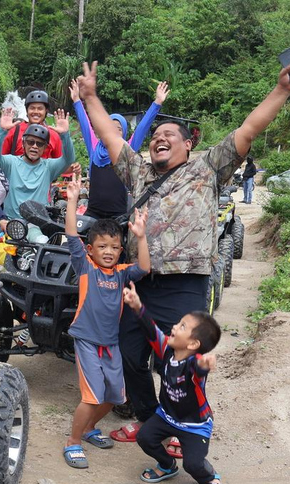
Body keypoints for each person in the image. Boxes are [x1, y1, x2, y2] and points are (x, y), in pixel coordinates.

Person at [76, 61, 290, 450]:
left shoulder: (208, 168)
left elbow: (249, 129)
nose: (160, 138)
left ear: (188, 143)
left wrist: (281, 91)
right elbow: (109, 137)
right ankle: (151, 419)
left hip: (187, 285)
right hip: (140, 284)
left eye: (169, 134)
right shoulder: (140, 173)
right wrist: (90, 97)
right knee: (127, 354)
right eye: (156, 134)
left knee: (179, 364)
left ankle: (181, 425)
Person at [61, 174, 150, 469]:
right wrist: (73, 201)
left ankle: (88, 430)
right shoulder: (85, 266)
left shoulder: (123, 272)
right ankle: (73, 442)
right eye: (102, 246)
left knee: (114, 396)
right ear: (91, 250)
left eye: (113, 246)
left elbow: (145, 268)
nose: (108, 251)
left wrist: (140, 236)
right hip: (87, 340)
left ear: (120, 250)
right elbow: (72, 235)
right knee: (91, 395)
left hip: (111, 343)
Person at [122, 282, 223, 484]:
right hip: (167, 416)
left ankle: (210, 477)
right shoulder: (167, 348)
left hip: (195, 425)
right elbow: (151, 330)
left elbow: (199, 370)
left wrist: (205, 365)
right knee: (145, 438)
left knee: (193, 465)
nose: (175, 327)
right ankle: (167, 465)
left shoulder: (194, 364)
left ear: (194, 344)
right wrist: (138, 306)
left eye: (182, 327)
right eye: (178, 323)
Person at [70, 79, 169, 219]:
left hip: (118, 215)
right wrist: (76, 100)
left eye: (118, 129)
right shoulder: (94, 147)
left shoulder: (127, 150)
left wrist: (157, 102)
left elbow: (142, 128)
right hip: (93, 213)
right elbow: (85, 124)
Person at [0, 109, 76, 241]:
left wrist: (64, 135)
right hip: (10, 223)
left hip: (36, 224)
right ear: (23, 143)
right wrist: (2, 131)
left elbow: (68, 159)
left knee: (42, 241)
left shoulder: (49, 167)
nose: (34, 146)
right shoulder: (11, 163)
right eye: (30, 142)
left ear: (45, 148)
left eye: (40, 144)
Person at [1, 90, 63, 159]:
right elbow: (0, 159)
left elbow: (61, 165)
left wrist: (65, 135)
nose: (36, 112)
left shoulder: (53, 135)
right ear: (27, 111)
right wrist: (1, 130)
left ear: (46, 111)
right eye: (32, 108)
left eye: (40, 109)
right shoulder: (14, 131)